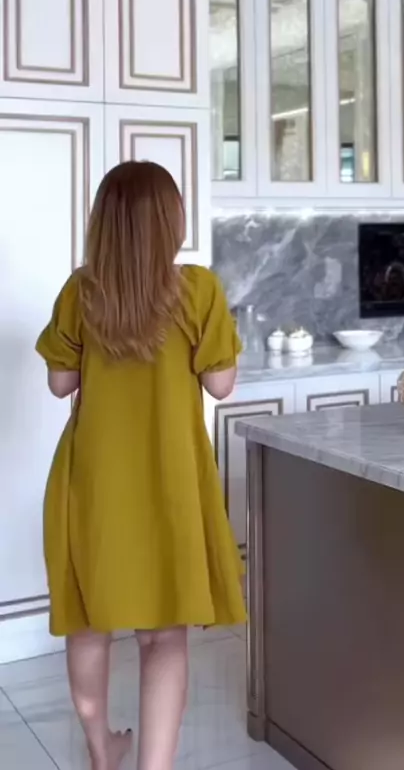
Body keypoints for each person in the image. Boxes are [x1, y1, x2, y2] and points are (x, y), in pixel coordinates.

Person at [36, 161, 246, 770]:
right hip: (169, 485)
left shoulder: (81, 292)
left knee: (88, 622)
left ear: (102, 224)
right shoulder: (198, 290)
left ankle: (102, 749)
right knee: (163, 637)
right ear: (171, 220)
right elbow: (221, 385)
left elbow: (60, 383)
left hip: (92, 483)